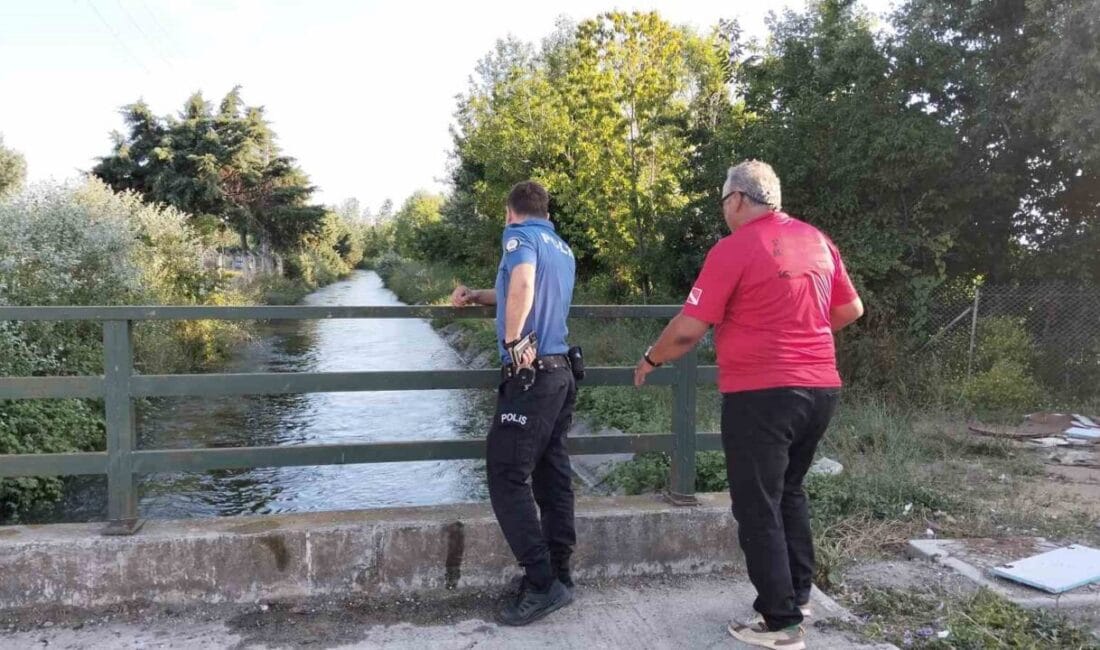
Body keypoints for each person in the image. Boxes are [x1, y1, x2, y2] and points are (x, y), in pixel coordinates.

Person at [633, 161, 863, 650]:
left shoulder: (734, 248)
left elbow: (690, 328)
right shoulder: (817, 240)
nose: (723, 212)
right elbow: (849, 310)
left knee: (757, 505)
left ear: (737, 199)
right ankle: (798, 597)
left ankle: (780, 624)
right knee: (789, 493)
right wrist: (801, 337)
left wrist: (651, 358)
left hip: (762, 395)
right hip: (821, 389)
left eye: (722, 202)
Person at [451, 180, 578, 626]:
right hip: (561, 370)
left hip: (532, 371)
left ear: (511, 211)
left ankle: (541, 584)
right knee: (551, 471)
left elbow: (523, 280)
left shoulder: (517, 235)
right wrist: (479, 297)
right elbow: (524, 289)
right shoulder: (561, 247)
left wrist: (514, 340)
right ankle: (560, 573)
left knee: (506, 473)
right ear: (545, 210)